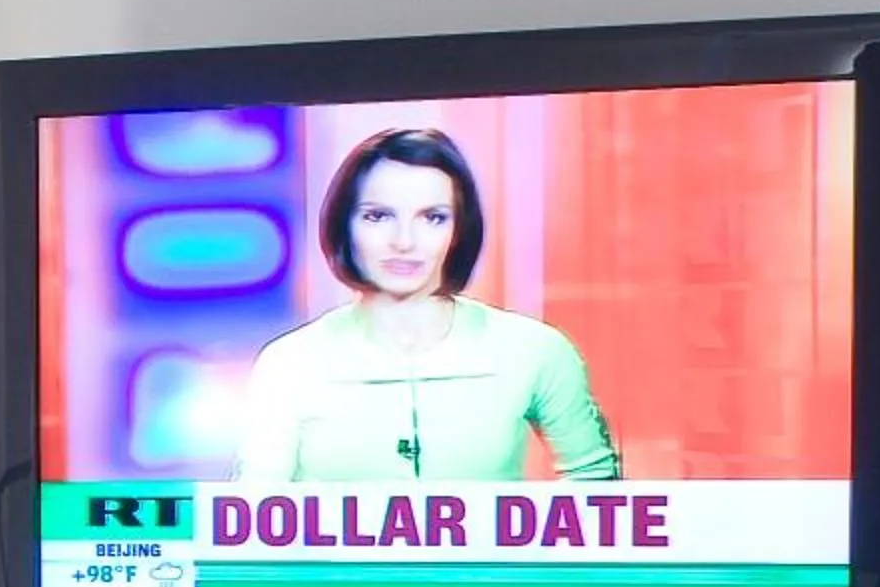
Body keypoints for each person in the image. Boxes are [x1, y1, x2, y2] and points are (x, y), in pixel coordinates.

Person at [237, 125, 618, 483]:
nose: (404, 241)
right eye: (378, 216)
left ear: (458, 230)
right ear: (344, 225)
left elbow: (601, 495)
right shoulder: (291, 362)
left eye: (432, 218)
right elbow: (253, 514)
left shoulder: (535, 351)